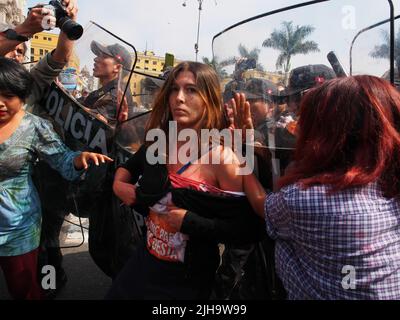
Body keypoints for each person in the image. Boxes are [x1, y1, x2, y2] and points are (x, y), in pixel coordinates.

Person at [107, 61, 265, 299]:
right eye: (174, 89)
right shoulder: (160, 141)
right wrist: (119, 186)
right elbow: (128, 167)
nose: (179, 98)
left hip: (185, 284)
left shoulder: (224, 158)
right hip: (142, 264)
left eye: (191, 90)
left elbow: (245, 231)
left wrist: (190, 222)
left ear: (209, 98)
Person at [234, 75, 400, 299]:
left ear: (327, 131)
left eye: (305, 110)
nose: (297, 115)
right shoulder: (389, 182)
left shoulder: (307, 199)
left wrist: (239, 153)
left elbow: (262, 205)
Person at [0, 57, 112, 300]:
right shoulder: (92, 94)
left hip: (27, 215)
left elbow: (64, 156)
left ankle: (52, 281)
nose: (1, 103)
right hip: (45, 182)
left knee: (46, 249)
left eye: (8, 96)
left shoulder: (34, 126)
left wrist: (78, 159)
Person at [1, 0, 82, 299]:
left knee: (40, 260)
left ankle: (50, 283)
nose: (16, 53)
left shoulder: (29, 84)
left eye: (21, 51)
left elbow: (61, 56)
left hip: (25, 203)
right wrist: (22, 30)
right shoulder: (15, 38)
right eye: (11, 47)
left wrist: (67, 24)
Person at [81, 41, 134, 126]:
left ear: (117, 67)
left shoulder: (118, 94)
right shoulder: (104, 90)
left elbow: (93, 117)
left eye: (103, 56)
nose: (96, 59)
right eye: (98, 55)